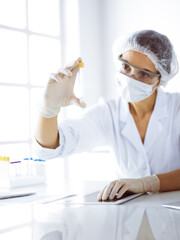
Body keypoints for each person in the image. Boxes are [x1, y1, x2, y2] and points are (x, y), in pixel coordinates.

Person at [34, 29, 180, 201]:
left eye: (144, 74)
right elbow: (54, 145)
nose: (131, 78)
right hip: (129, 218)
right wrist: (49, 110)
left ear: (160, 78)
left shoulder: (176, 108)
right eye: (126, 66)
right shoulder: (109, 113)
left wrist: (147, 183)